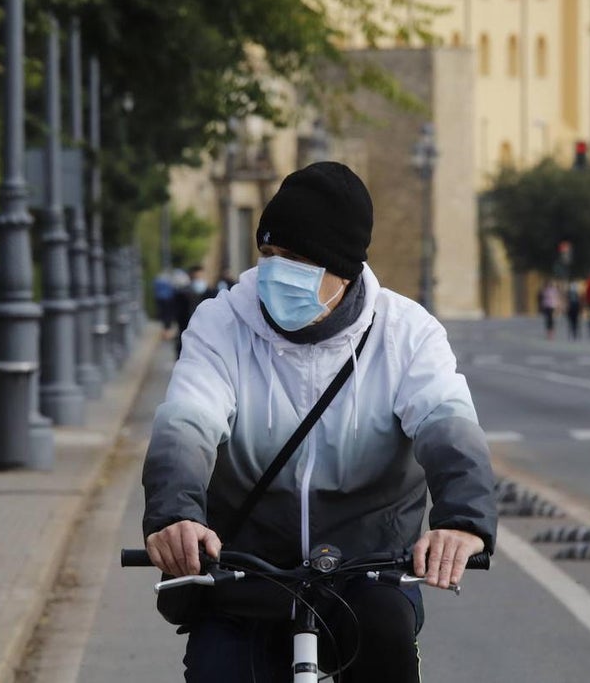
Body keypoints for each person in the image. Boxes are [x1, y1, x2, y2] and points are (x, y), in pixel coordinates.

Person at [141, 162, 497, 683]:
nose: (277, 271)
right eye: (270, 255)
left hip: (368, 568)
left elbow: (449, 428)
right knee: (218, 668)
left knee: (386, 642)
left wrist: (462, 522)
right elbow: (186, 423)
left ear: (344, 269)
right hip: (246, 565)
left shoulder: (408, 334)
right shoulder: (221, 323)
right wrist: (175, 514)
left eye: (299, 260)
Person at [172, 264, 217, 359]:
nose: (199, 280)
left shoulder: (214, 294)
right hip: (187, 336)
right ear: (190, 277)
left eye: (201, 277)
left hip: (209, 339)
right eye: (196, 278)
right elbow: (176, 313)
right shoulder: (182, 295)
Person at [153, 269, 178, 340]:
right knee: (168, 316)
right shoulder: (169, 279)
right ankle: (166, 332)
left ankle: (164, 332)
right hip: (168, 300)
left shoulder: (158, 279)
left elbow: (155, 289)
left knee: (163, 316)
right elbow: (173, 288)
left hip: (160, 299)